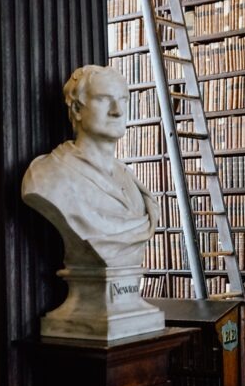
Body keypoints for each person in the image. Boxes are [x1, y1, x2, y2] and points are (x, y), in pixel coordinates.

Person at [22, 65, 159, 267]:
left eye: (123, 100)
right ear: (77, 109)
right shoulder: (46, 176)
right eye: (104, 99)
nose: (118, 111)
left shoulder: (129, 179)